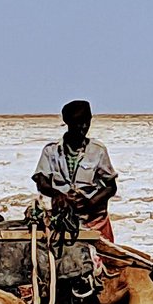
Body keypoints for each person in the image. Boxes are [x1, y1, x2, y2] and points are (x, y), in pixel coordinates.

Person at [32, 100, 118, 242]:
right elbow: (42, 182)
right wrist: (58, 195)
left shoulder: (98, 150)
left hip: (94, 221)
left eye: (87, 122)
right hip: (62, 220)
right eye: (78, 122)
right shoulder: (51, 151)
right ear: (68, 122)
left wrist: (91, 202)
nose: (83, 127)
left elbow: (111, 187)